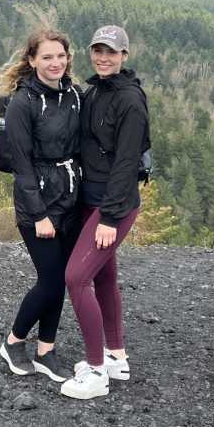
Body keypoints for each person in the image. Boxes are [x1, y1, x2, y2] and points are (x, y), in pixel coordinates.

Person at [60, 24, 147, 400]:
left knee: (76, 277)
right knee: (104, 276)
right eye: (98, 50)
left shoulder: (130, 100)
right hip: (91, 200)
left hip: (113, 206)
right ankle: (116, 357)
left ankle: (96, 371)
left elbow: (127, 163)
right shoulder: (95, 91)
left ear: (124, 55)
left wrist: (110, 218)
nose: (103, 58)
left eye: (111, 52)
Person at [0, 29, 83, 383]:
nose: (55, 63)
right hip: (38, 206)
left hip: (70, 199)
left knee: (60, 280)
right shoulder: (23, 103)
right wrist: (39, 215)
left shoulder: (74, 95)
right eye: (47, 57)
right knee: (50, 280)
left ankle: (46, 351)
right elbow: (21, 165)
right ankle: (14, 341)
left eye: (61, 56)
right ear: (32, 60)